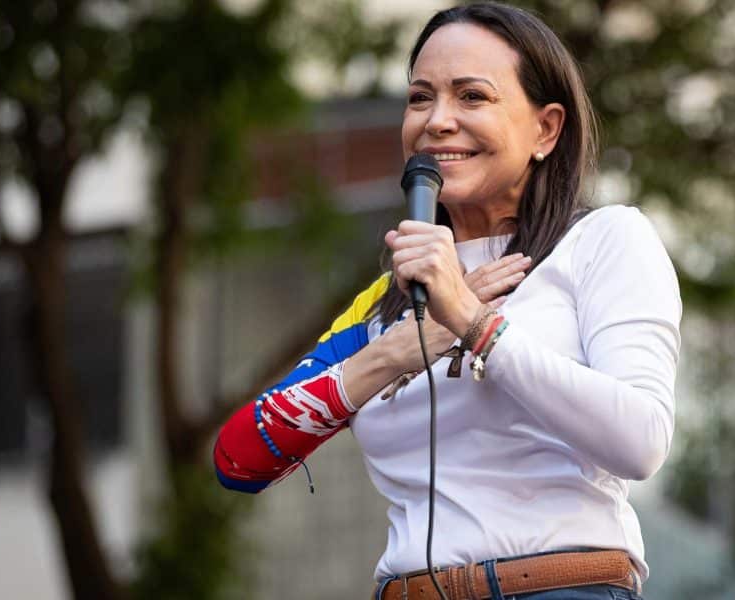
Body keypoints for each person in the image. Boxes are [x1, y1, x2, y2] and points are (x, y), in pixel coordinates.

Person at [213, 3, 682, 599]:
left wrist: (473, 322)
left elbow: (640, 441)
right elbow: (239, 459)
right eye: (419, 98)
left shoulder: (600, 241)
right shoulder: (388, 304)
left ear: (546, 129)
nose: (437, 121)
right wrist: (392, 355)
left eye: (472, 97)